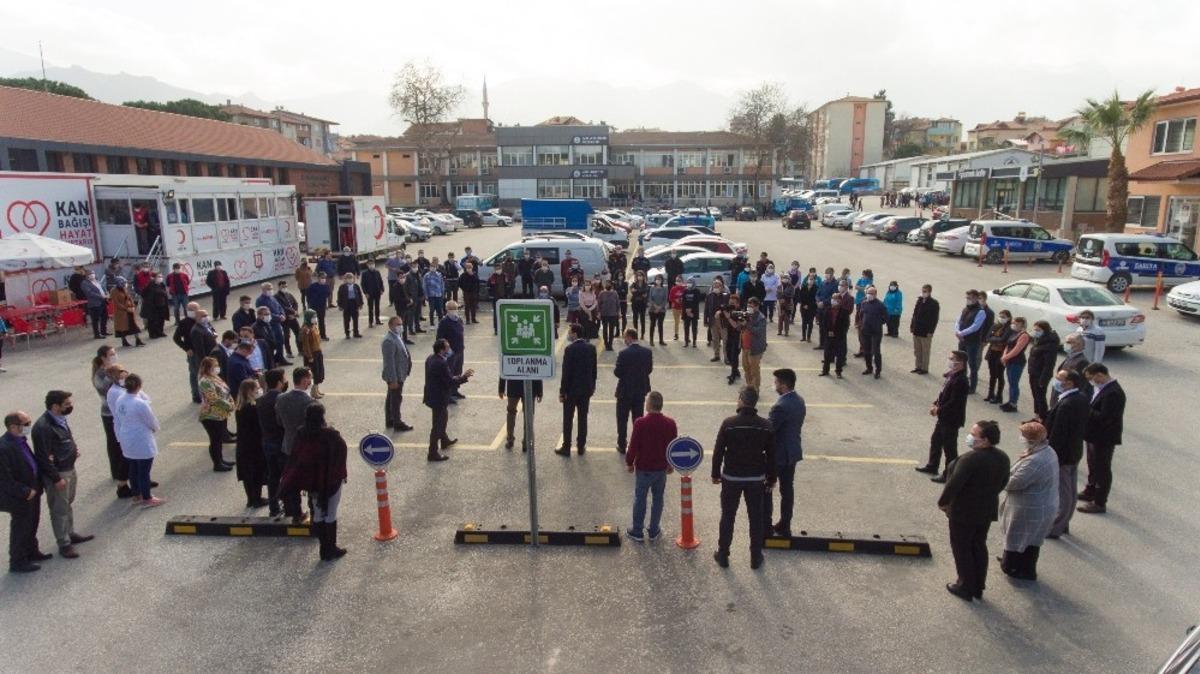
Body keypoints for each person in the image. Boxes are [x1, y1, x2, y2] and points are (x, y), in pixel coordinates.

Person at [937, 420, 1010, 602]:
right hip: (985, 510)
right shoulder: (1002, 457)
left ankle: (965, 586)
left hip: (964, 511)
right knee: (978, 545)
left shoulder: (970, 459)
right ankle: (978, 585)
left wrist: (943, 502)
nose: (970, 437)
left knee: (962, 548)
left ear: (985, 440)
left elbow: (954, 484)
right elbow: (1003, 482)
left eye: (974, 434)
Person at [711, 386, 775, 570]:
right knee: (756, 518)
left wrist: (715, 474)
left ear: (740, 400)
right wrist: (771, 479)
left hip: (732, 477)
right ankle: (755, 557)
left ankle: (723, 554)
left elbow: (718, 452)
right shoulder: (766, 425)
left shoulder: (728, 423)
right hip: (756, 478)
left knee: (728, 516)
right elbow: (771, 455)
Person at [281, 404, 349, 561]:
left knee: (317, 513)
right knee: (330, 513)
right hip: (330, 481)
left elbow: (296, 456)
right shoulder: (330, 434)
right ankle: (330, 549)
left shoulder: (301, 433)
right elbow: (341, 453)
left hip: (312, 482)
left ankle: (323, 548)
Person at [31, 390, 94, 559]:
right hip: (59, 473)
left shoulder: (59, 419)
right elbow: (43, 457)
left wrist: (73, 449)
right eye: (66, 404)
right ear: (55, 406)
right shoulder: (43, 427)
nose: (70, 406)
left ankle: (70, 533)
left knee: (67, 504)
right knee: (59, 508)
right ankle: (64, 544)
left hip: (69, 467)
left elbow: (64, 440)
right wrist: (56, 478)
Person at [999, 421, 1058, 581]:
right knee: (1031, 540)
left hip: (1029, 507)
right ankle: (1024, 566)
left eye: (1023, 436)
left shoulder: (1035, 460)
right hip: (1041, 505)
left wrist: (999, 478)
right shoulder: (1047, 450)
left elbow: (1014, 482)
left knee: (1018, 536)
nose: (1021, 439)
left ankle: (1011, 565)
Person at [1, 410, 52, 573]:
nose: (29, 426)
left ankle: (31, 551)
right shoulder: (4, 448)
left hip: (33, 490)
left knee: (32, 522)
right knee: (21, 527)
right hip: (19, 496)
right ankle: (17, 561)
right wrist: (24, 492)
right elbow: (4, 479)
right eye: (26, 424)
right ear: (13, 427)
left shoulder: (20, 440)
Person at [624, 391, 677, 543]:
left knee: (640, 498)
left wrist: (629, 462)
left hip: (644, 469)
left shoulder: (640, 423)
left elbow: (633, 446)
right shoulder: (670, 423)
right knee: (658, 499)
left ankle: (637, 530)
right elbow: (672, 447)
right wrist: (670, 465)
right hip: (661, 470)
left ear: (649, 404)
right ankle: (654, 530)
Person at [1044, 369, 1089, 538]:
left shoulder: (1068, 404)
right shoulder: (1080, 398)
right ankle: (1063, 523)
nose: (1056, 381)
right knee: (1069, 489)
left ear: (1070, 383)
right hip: (1073, 451)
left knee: (1063, 493)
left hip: (1063, 454)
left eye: (1060, 378)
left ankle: (1056, 526)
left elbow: (1058, 434)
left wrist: (1051, 454)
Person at [1077, 363, 1125, 515]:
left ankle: (1099, 502)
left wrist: (1086, 408)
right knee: (1092, 464)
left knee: (1102, 469)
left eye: (1092, 379)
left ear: (1100, 375)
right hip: (1093, 435)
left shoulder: (1113, 393)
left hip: (1104, 437)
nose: (1091, 382)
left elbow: (1105, 417)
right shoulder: (1101, 388)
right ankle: (1090, 490)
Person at [916, 350, 970, 482]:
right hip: (943, 417)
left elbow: (954, 402)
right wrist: (936, 404)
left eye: (952, 359)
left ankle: (949, 474)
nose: (949, 361)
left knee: (949, 448)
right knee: (936, 441)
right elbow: (943, 393)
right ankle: (932, 465)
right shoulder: (952, 375)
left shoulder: (961, 380)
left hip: (951, 418)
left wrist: (938, 410)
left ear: (960, 362)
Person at [765, 369, 806, 537]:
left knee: (767, 487)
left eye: (776, 382)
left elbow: (770, 430)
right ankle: (785, 523)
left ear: (783, 385)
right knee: (787, 490)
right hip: (793, 451)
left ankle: (766, 525)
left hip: (779, 455)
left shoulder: (780, 406)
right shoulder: (799, 401)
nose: (774, 385)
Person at [113, 374, 164, 507]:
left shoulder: (120, 399)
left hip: (126, 438)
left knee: (133, 468)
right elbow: (151, 421)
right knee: (144, 470)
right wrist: (155, 428)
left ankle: (136, 495)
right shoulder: (139, 403)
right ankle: (147, 497)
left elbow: (117, 419)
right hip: (140, 439)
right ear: (139, 386)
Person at [423, 339, 474, 462]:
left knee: (443, 419)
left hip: (433, 395)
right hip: (439, 397)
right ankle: (432, 452)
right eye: (447, 347)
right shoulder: (441, 363)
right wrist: (463, 377)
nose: (449, 349)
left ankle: (444, 440)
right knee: (438, 425)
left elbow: (445, 378)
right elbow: (450, 381)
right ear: (442, 349)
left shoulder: (431, 358)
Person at [276, 367, 315, 521]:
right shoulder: (309, 402)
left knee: (292, 482)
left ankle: (295, 513)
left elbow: (279, 421)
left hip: (288, 446)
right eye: (310, 378)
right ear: (305, 380)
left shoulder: (281, 399)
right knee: (312, 483)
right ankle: (314, 513)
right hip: (306, 449)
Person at [91, 347, 130, 498]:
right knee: (116, 445)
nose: (114, 356)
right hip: (109, 413)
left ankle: (130, 474)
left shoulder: (113, 370)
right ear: (103, 357)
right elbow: (108, 389)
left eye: (114, 353)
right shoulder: (100, 375)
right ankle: (119, 474)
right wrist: (117, 376)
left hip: (121, 411)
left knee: (123, 445)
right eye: (111, 354)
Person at [556, 323, 596, 456]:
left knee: (568, 419)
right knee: (582, 418)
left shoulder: (570, 349)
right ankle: (581, 446)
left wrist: (562, 392)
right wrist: (592, 386)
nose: (569, 334)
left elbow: (566, 373)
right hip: (586, 390)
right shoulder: (591, 348)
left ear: (575, 333)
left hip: (571, 390)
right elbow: (593, 370)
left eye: (570, 332)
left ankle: (566, 447)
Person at [614, 329, 653, 455]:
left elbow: (617, 372)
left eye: (625, 337)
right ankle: (638, 444)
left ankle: (621, 444)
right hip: (640, 390)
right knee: (638, 419)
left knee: (622, 419)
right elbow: (649, 370)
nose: (624, 340)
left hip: (625, 390)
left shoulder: (623, 353)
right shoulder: (647, 352)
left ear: (630, 337)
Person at [257, 368, 288, 517]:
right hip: (281, 442)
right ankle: (289, 506)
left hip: (267, 441)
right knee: (286, 475)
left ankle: (273, 506)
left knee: (273, 476)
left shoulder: (260, 400)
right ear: (279, 382)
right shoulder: (282, 399)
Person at [234, 379, 268, 509]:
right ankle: (256, 499)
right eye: (257, 389)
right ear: (249, 391)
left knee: (248, 474)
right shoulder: (252, 408)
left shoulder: (240, 407)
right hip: (254, 446)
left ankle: (250, 499)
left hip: (243, 445)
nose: (259, 390)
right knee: (256, 473)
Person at [197, 357, 235, 472]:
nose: (217, 368)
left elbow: (225, 391)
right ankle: (217, 463)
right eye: (215, 366)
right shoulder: (205, 381)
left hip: (220, 414)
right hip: (211, 415)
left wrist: (231, 402)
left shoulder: (214, 377)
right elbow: (213, 399)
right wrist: (229, 406)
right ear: (208, 368)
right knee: (215, 440)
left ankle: (221, 459)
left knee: (219, 439)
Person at [381, 316, 414, 433]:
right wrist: (393, 380)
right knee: (396, 398)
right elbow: (389, 363)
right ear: (390, 326)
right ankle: (397, 422)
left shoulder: (397, 337)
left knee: (391, 396)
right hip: (395, 375)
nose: (400, 327)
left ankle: (390, 419)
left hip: (400, 373)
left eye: (401, 324)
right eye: (397, 325)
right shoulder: (388, 341)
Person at [954, 290, 987, 394]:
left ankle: (972, 387)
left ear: (976, 298)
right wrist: (957, 331)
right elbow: (958, 321)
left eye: (970, 298)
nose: (968, 300)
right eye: (967, 298)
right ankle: (960, 383)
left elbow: (975, 327)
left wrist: (962, 333)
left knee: (972, 364)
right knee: (960, 362)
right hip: (962, 340)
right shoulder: (965, 309)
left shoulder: (980, 312)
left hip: (972, 342)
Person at [499, 376, 542, 452]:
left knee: (511, 413)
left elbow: (504, 368)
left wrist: (501, 388)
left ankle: (510, 439)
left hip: (513, 385)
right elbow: (537, 368)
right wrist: (539, 391)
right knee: (528, 415)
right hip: (529, 386)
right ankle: (526, 442)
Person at [1027, 321, 1060, 419]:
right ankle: (1037, 415)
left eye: (1038, 330)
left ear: (1045, 330)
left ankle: (1043, 417)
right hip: (1033, 372)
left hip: (1040, 374)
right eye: (1035, 329)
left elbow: (1049, 364)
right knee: (1035, 395)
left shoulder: (1050, 344)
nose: (1036, 332)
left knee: (1040, 396)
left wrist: (1043, 379)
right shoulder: (1040, 340)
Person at [435, 301, 467, 401]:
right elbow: (439, 338)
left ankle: (455, 390)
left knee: (458, 371)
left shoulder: (459, 320)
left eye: (455, 309)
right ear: (447, 310)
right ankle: (447, 395)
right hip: (449, 353)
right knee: (449, 374)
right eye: (451, 309)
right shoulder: (444, 322)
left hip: (459, 350)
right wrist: (444, 351)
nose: (454, 311)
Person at [819, 286, 851, 379]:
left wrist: (836, 333)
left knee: (839, 356)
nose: (833, 301)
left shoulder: (844, 312)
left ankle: (838, 372)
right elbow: (824, 323)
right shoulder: (827, 310)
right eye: (833, 299)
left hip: (839, 338)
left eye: (836, 299)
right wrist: (828, 332)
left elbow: (846, 326)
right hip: (829, 336)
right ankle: (825, 370)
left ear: (840, 301)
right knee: (827, 354)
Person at [999, 317, 1030, 413]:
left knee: (1014, 383)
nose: (1013, 325)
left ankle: (1013, 404)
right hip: (1009, 360)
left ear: (1021, 324)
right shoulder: (1014, 333)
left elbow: (1017, 350)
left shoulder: (1024, 335)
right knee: (1010, 382)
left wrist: (1006, 357)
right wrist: (1004, 356)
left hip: (1017, 362)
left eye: (1015, 323)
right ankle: (1010, 401)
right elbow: (1008, 346)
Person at [1051, 333, 1090, 406]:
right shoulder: (1070, 356)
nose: (1066, 344)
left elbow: (1079, 385)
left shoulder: (1082, 362)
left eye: (1069, 342)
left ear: (1079, 345)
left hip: (1067, 401)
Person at [983, 310, 1014, 404]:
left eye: (1004, 317)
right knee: (992, 375)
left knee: (999, 375)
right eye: (1000, 316)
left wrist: (993, 339)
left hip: (1000, 354)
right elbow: (987, 337)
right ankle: (990, 394)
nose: (1001, 318)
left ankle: (999, 396)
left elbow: (1003, 339)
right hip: (992, 352)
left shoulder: (1009, 328)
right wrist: (995, 340)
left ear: (1008, 318)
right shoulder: (995, 325)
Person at [858, 286, 887, 378]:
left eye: (871, 294)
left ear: (875, 294)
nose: (869, 295)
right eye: (868, 293)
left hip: (876, 332)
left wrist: (878, 323)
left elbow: (886, 317)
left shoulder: (880, 305)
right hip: (865, 331)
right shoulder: (864, 303)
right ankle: (869, 368)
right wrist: (862, 324)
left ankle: (878, 370)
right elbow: (861, 314)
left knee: (876, 351)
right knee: (866, 351)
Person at [740, 297, 768, 391]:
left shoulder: (761, 318)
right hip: (745, 347)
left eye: (751, 306)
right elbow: (740, 328)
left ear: (757, 306)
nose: (749, 308)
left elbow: (758, 332)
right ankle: (749, 387)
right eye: (748, 305)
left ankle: (755, 390)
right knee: (746, 368)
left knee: (754, 370)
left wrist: (747, 324)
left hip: (755, 348)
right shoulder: (746, 315)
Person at [108, 277, 145, 347]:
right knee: (123, 328)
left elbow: (129, 297)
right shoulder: (113, 291)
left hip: (129, 310)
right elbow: (116, 303)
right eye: (124, 283)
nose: (125, 284)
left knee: (134, 326)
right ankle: (124, 341)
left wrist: (133, 306)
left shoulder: (124, 288)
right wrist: (126, 309)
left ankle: (138, 340)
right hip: (121, 313)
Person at [299, 310, 325, 399]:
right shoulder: (306, 329)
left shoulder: (314, 326)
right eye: (313, 317)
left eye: (315, 316)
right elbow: (306, 345)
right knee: (313, 373)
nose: (315, 318)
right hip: (312, 354)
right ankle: (313, 393)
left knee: (319, 373)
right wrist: (309, 356)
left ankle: (317, 390)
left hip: (318, 352)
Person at [704, 277, 729, 361]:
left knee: (725, 339)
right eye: (714, 286)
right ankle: (716, 355)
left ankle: (726, 357)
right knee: (715, 339)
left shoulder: (726, 296)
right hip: (713, 321)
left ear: (722, 287)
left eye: (718, 286)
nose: (716, 287)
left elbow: (728, 307)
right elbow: (706, 309)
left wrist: (720, 312)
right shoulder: (709, 296)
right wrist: (705, 320)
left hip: (723, 321)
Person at [140, 272, 170, 339]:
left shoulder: (162, 285)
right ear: (155, 278)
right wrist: (148, 301)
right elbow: (143, 293)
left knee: (161, 320)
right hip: (153, 306)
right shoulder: (150, 285)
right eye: (159, 276)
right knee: (152, 321)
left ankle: (160, 332)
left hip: (162, 305)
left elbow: (164, 293)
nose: (160, 278)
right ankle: (152, 334)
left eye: (161, 276)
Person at [276, 281, 302, 357]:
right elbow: (282, 307)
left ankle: (301, 350)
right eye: (283, 286)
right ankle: (288, 352)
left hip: (293, 318)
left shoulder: (289, 294)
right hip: (285, 319)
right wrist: (292, 312)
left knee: (298, 333)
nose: (285, 288)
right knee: (287, 336)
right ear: (279, 287)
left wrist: (295, 312)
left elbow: (295, 303)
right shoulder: (276, 297)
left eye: (286, 286)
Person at [721, 295, 743, 384]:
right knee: (729, 355)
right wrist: (720, 312)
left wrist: (728, 317)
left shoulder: (741, 312)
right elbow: (718, 316)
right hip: (729, 336)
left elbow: (736, 326)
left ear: (738, 304)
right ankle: (736, 371)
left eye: (733, 303)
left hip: (738, 337)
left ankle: (733, 375)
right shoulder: (729, 310)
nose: (731, 305)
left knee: (734, 356)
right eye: (730, 303)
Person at [82, 270, 109, 339]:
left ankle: (103, 331)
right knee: (95, 320)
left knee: (104, 317)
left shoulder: (97, 281)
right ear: (87, 275)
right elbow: (89, 293)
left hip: (103, 301)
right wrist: (101, 296)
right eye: (90, 274)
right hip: (94, 303)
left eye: (93, 273)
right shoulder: (84, 283)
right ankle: (97, 334)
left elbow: (102, 288)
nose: (92, 275)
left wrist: (106, 293)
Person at [336, 273, 364, 339]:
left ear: (353, 279)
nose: (350, 279)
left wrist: (360, 304)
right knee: (346, 320)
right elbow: (339, 296)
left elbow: (360, 295)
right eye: (348, 278)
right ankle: (347, 333)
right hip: (346, 304)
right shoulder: (342, 287)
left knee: (355, 319)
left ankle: (356, 332)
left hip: (354, 303)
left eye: (351, 278)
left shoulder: (356, 286)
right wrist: (340, 305)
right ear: (345, 279)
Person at [305, 273, 332, 340]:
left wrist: (326, 305)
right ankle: (312, 336)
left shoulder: (326, 286)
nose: (323, 279)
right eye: (322, 278)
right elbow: (308, 295)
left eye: (324, 278)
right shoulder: (312, 286)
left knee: (321, 321)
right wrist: (309, 304)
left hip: (322, 307)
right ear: (318, 278)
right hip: (313, 306)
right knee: (312, 322)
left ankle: (323, 335)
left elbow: (328, 294)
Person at [361, 260, 385, 327]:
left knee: (377, 307)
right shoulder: (365, 274)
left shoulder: (377, 272)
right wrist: (365, 293)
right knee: (370, 308)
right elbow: (363, 284)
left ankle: (377, 320)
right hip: (369, 293)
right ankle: (370, 322)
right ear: (367, 265)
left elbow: (381, 281)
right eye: (370, 264)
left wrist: (382, 289)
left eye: (372, 264)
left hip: (377, 292)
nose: (371, 265)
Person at [681, 278, 703, 348]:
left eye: (690, 282)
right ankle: (686, 341)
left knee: (694, 328)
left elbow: (696, 301)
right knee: (686, 327)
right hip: (686, 312)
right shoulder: (685, 291)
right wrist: (687, 310)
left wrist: (691, 310)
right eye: (688, 282)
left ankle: (694, 342)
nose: (689, 284)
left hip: (694, 312)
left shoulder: (696, 291)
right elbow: (683, 301)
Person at [599, 281, 621, 351]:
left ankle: (610, 344)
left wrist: (619, 312)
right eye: (606, 284)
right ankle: (606, 343)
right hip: (604, 314)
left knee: (611, 330)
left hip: (613, 314)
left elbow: (618, 304)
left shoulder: (615, 293)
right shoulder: (602, 293)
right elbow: (599, 304)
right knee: (605, 330)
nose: (608, 285)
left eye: (609, 284)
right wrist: (599, 313)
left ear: (611, 285)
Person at [797, 274, 819, 343]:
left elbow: (815, 299)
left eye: (812, 279)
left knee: (810, 323)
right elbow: (800, 297)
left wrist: (809, 306)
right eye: (809, 279)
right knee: (804, 322)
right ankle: (803, 337)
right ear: (807, 280)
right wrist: (803, 305)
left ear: (814, 280)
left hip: (812, 308)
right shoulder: (803, 287)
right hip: (803, 308)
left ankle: (808, 337)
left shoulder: (816, 288)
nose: (810, 280)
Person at [647, 277, 668, 346]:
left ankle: (661, 340)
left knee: (660, 325)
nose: (658, 281)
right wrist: (655, 306)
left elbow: (665, 299)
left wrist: (660, 307)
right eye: (657, 279)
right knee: (652, 325)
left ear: (662, 281)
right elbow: (650, 298)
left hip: (661, 310)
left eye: (659, 279)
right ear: (655, 280)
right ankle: (651, 340)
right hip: (652, 309)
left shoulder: (664, 288)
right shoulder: (652, 288)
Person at [630, 271, 649, 340]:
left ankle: (642, 334)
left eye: (641, 276)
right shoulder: (633, 284)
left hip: (642, 304)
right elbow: (632, 291)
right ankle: (635, 334)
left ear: (643, 277)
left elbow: (645, 293)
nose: (639, 277)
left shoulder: (646, 284)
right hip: (635, 303)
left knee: (642, 319)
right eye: (638, 276)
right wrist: (641, 292)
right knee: (635, 319)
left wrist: (637, 291)